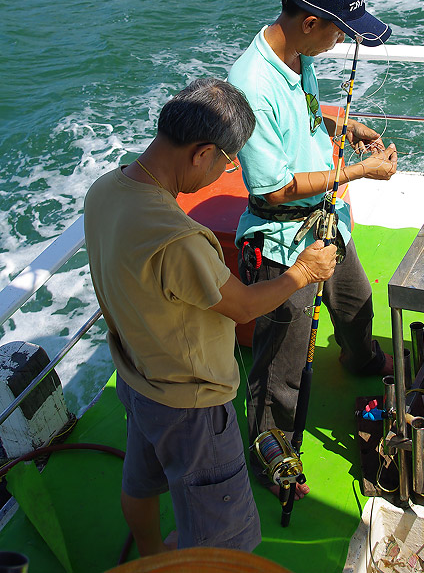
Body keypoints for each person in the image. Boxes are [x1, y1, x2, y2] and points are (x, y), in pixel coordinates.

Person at [83, 77, 336, 556]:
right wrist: (303, 270)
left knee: (140, 484)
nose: (227, 170)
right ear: (200, 153)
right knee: (230, 540)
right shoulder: (179, 239)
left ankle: (153, 555)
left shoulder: (104, 190)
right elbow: (242, 305)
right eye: (226, 160)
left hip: (137, 381)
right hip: (191, 404)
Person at [227, 0, 398, 495]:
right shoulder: (249, 84)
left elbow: (299, 116)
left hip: (328, 221)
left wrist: (340, 124)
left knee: (356, 303)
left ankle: (361, 356)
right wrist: (358, 170)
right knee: (281, 363)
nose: (341, 40)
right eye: (340, 31)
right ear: (308, 23)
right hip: (284, 240)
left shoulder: (297, 55)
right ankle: (272, 448)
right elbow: (271, 190)